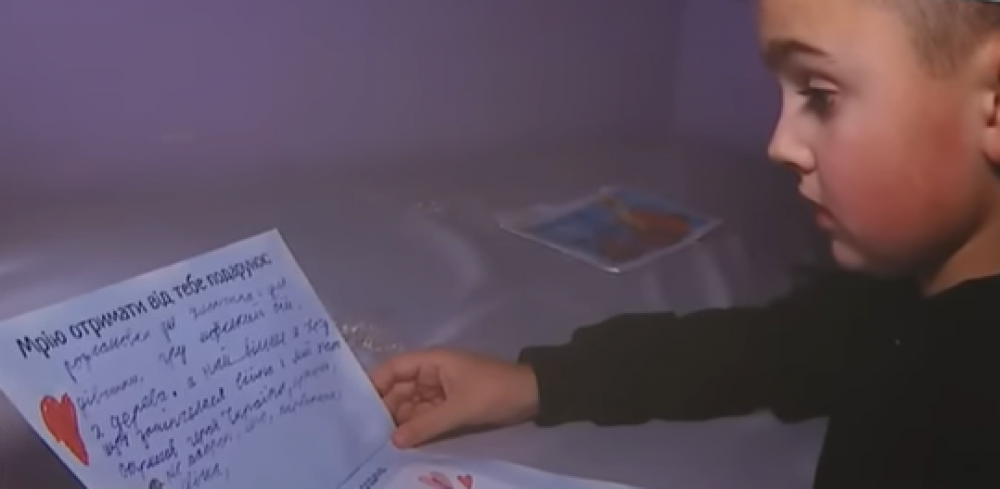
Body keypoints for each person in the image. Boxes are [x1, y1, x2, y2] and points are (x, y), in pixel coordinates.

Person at [369, 0, 1000, 487]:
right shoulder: (898, 303)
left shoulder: (942, 403)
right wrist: (533, 381)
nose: (779, 144)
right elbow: (771, 347)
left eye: (820, 95)